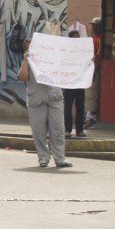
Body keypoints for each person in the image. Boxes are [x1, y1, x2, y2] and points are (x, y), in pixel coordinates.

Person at [18, 39, 72, 168]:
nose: (31, 50)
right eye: (28, 48)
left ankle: (60, 158)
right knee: (39, 131)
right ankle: (43, 157)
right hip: (36, 99)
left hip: (54, 97)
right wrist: (25, 61)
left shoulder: (53, 59)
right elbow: (23, 77)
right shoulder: (28, 62)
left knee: (57, 129)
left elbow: (69, 67)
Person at [63, 30, 87, 138]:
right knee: (68, 107)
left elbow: (87, 63)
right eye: (75, 38)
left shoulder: (83, 51)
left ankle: (79, 130)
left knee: (80, 107)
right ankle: (67, 129)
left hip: (80, 82)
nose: (77, 40)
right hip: (69, 83)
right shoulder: (66, 51)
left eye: (78, 38)